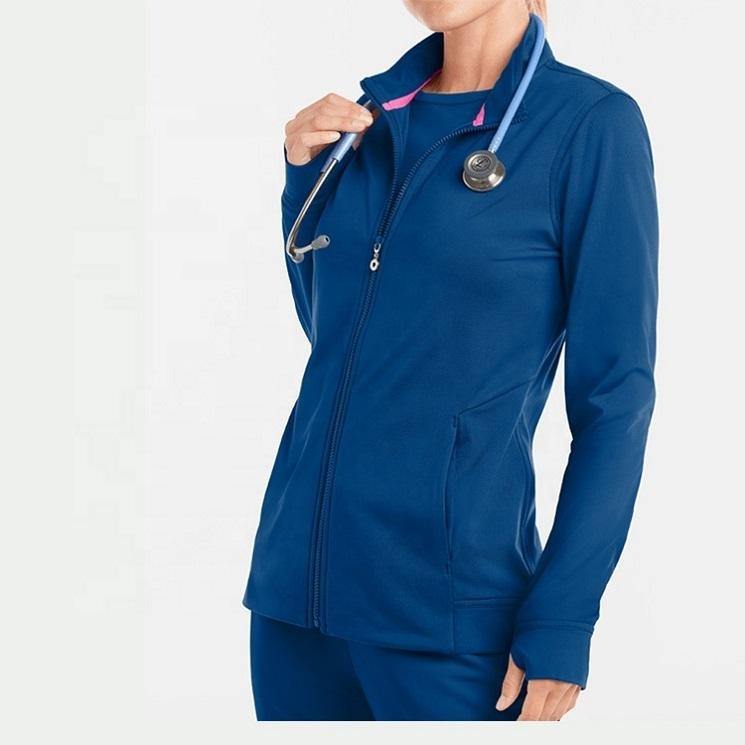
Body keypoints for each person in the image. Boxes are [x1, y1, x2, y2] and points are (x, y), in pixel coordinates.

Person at [243, 0, 658, 721]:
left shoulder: (589, 124)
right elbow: (339, 341)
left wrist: (563, 614)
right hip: (292, 602)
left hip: (445, 616)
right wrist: (302, 182)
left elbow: (615, 399)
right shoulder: (366, 122)